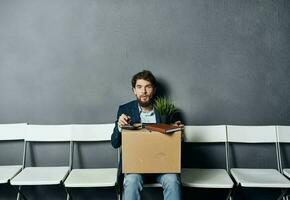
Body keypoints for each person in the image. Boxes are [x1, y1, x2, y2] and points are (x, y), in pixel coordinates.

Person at [111, 70, 182, 200]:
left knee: (173, 180)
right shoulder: (125, 110)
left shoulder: (166, 110)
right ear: (134, 90)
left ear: (154, 90)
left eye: (147, 87)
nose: (143, 91)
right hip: (136, 167)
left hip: (163, 167)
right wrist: (120, 127)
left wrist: (177, 133)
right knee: (131, 181)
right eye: (139, 87)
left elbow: (175, 145)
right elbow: (115, 143)